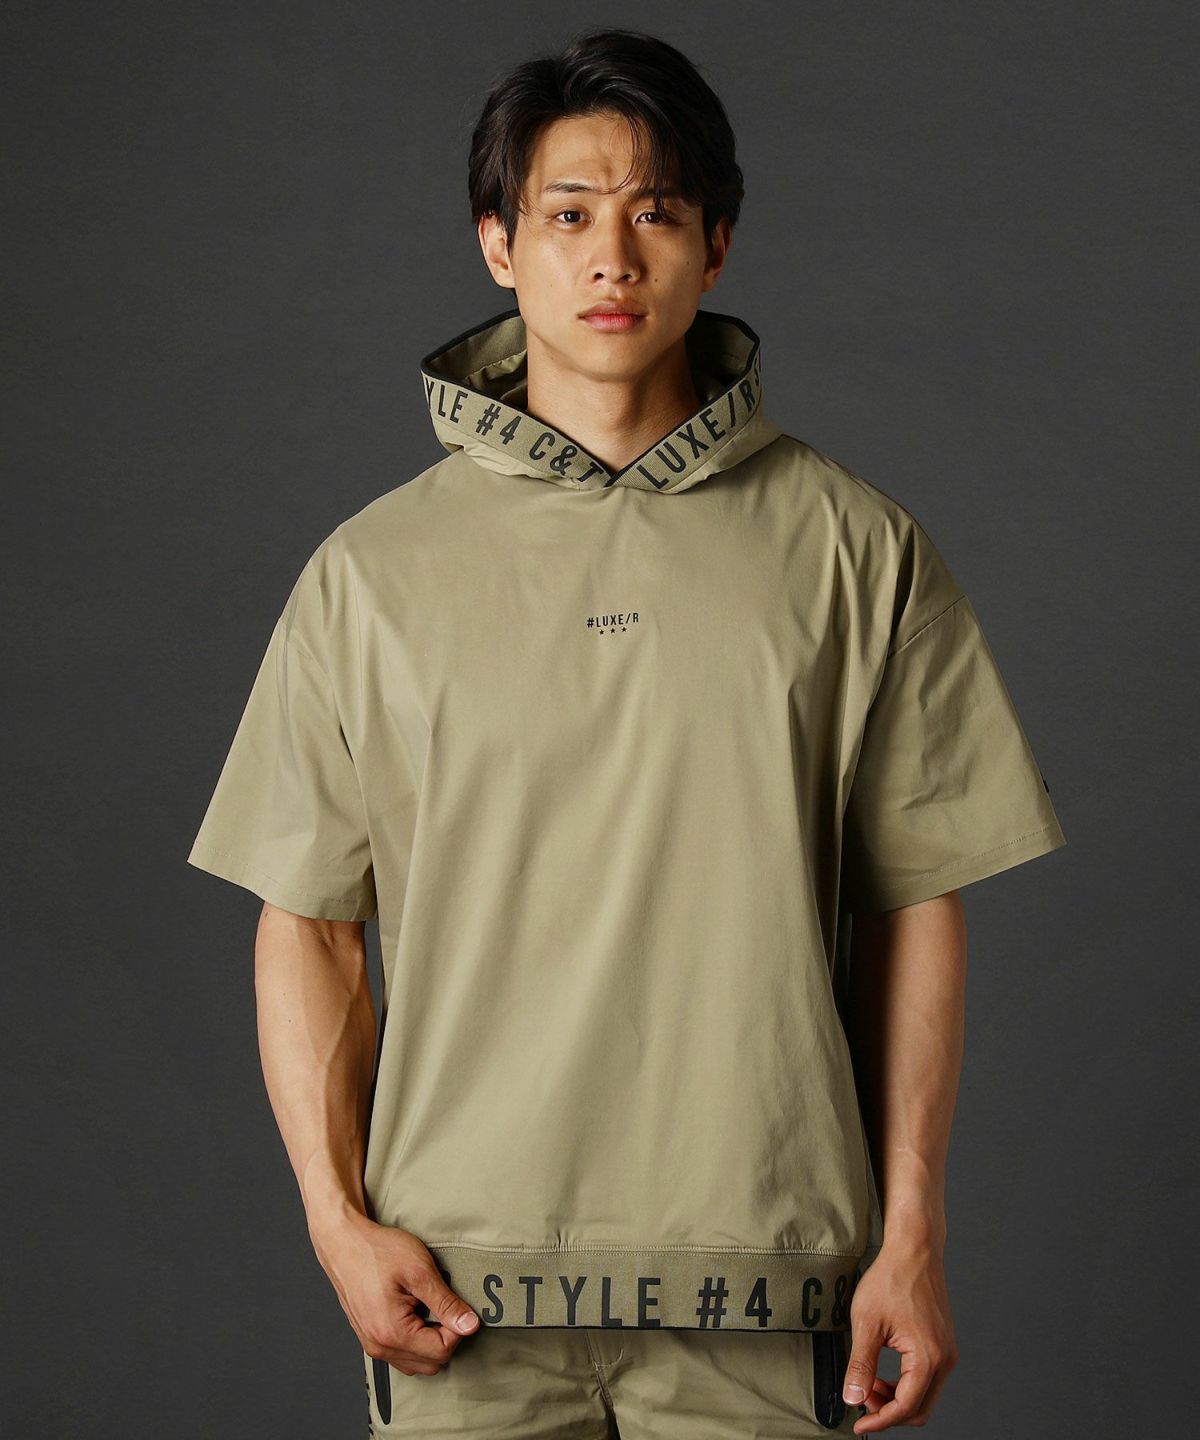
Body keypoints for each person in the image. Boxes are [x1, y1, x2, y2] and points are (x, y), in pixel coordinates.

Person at [187, 27, 1067, 1439]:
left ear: (716, 246)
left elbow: (915, 904)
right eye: (568, 215)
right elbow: (308, 923)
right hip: (457, 1292)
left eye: (655, 213)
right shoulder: (370, 576)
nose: (612, 258)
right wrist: (334, 1222)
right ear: (497, 243)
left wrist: (913, 1234)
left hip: (772, 1289)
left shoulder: (857, 550)